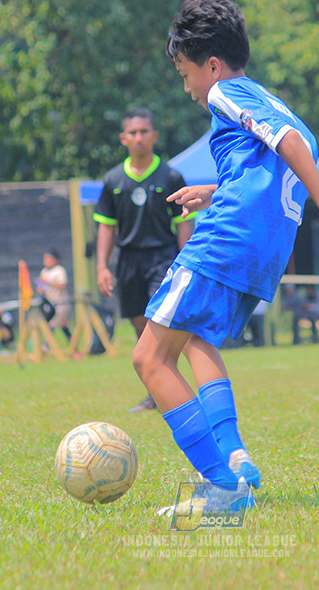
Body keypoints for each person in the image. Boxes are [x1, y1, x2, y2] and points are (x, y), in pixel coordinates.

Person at [132, 0, 319, 512]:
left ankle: (220, 488)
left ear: (211, 65)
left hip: (226, 243)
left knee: (148, 357)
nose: (188, 88)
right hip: (261, 254)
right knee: (197, 341)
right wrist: (215, 191)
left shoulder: (223, 94)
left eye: (187, 74)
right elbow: (282, 156)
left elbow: (289, 147)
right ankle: (234, 456)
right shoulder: (267, 97)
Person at [94, 107, 195, 413]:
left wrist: (186, 261)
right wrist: (102, 266)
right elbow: (106, 227)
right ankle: (155, 392)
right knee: (141, 327)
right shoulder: (112, 179)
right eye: (133, 133)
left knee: (156, 321)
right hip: (127, 261)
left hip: (162, 258)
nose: (139, 138)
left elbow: (184, 222)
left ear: (154, 136)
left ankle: (170, 389)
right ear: (124, 138)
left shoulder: (171, 176)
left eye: (144, 132)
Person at [36, 249, 72, 341]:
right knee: (62, 324)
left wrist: (47, 282)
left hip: (61, 302)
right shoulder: (44, 271)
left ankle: (45, 345)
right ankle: (72, 343)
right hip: (50, 303)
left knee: (53, 324)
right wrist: (40, 287)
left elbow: (62, 285)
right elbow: (41, 286)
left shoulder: (59, 270)